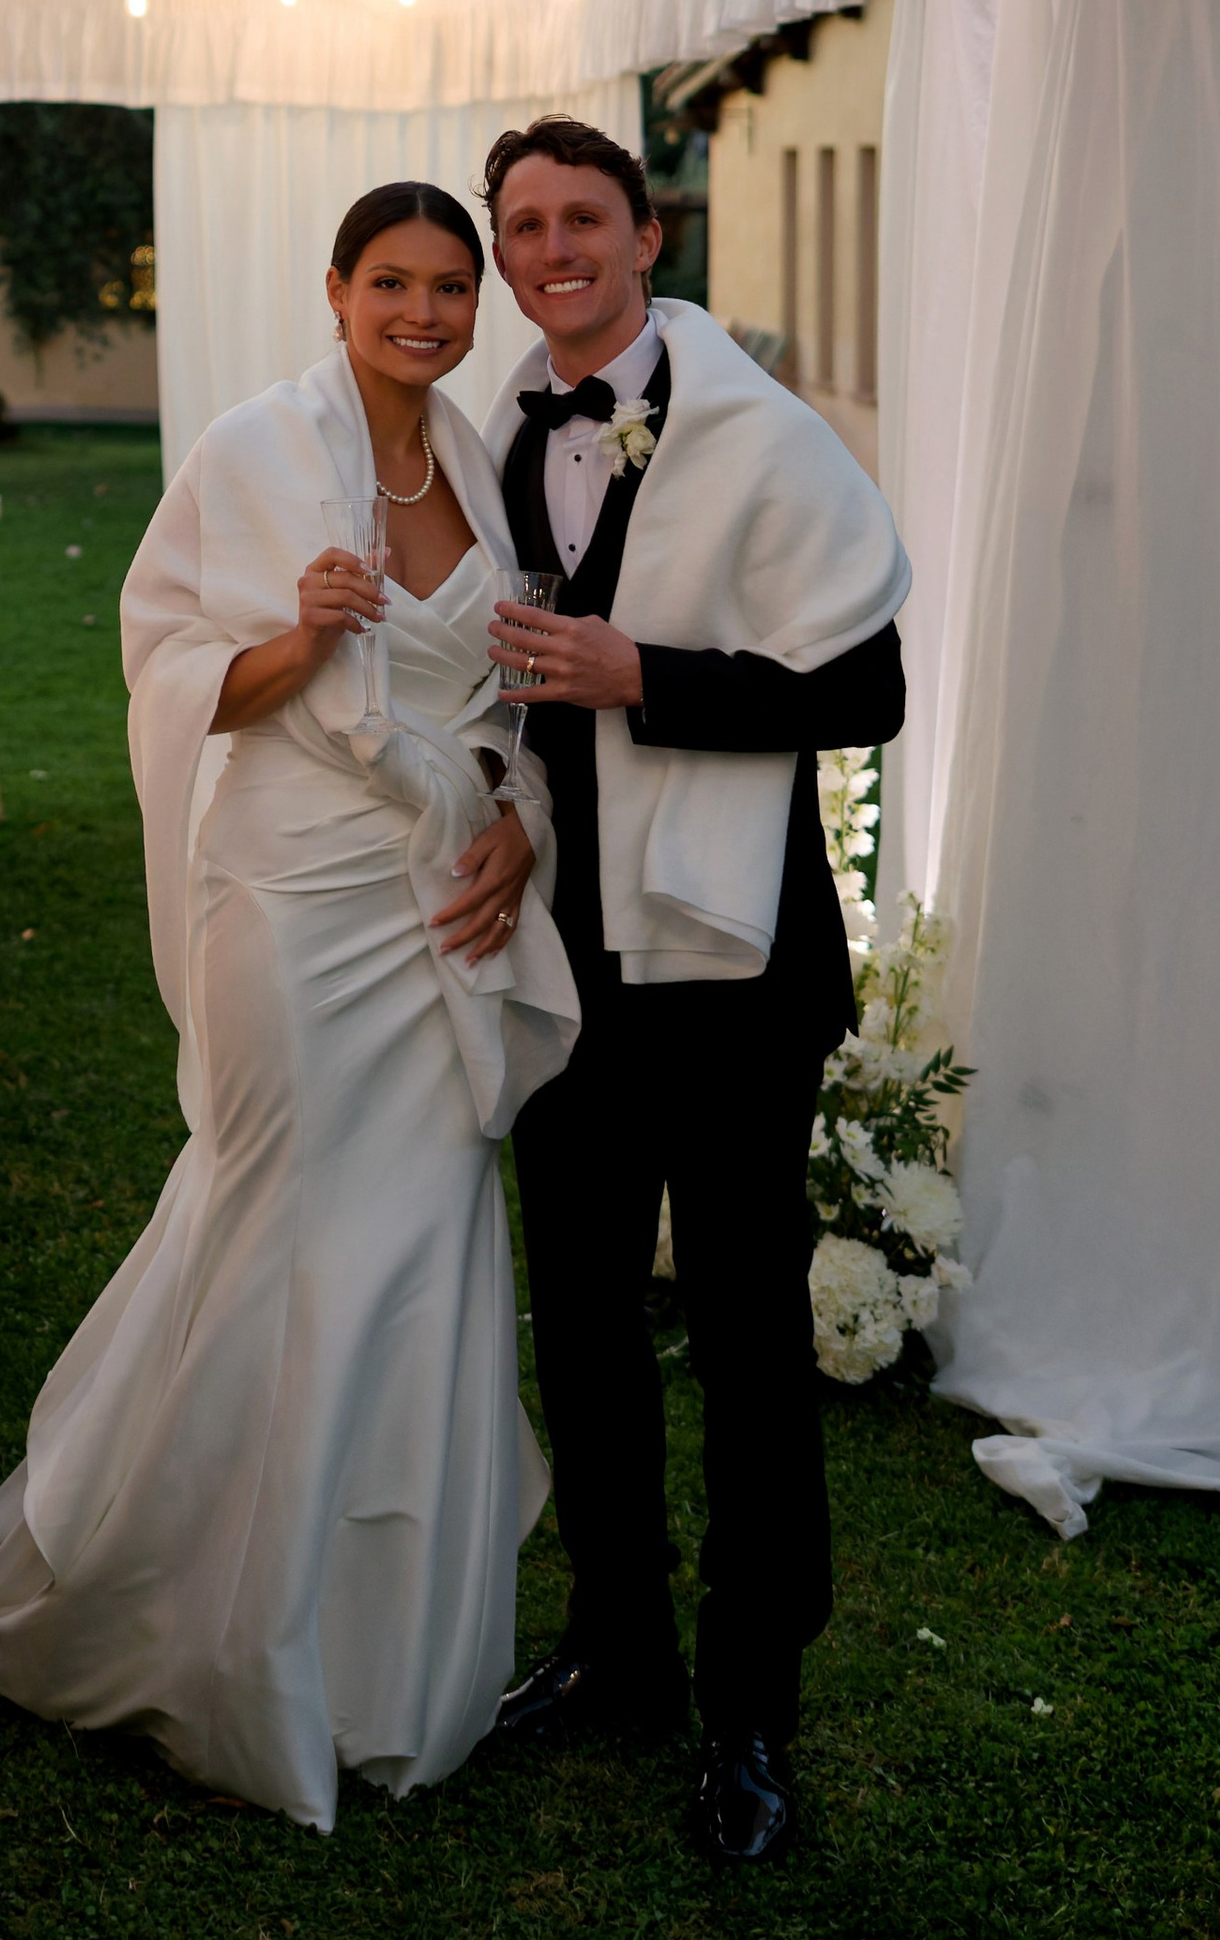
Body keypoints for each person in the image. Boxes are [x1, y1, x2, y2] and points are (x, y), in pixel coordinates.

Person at [0, 182, 578, 1830]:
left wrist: (521, 828)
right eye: (393, 282)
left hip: (436, 916)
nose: (426, 312)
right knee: (273, 1207)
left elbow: (506, 695)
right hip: (291, 896)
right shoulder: (261, 449)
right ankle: (186, 1610)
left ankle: (383, 1647)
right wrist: (295, 631)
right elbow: (174, 671)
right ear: (333, 288)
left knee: (416, 1240)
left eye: (451, 287)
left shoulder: (481, 461)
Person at [477, 115, 908, 1869]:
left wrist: (641, 671)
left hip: (732, 964)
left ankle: (752, 1704)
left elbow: (866, 683)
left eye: (583, 216)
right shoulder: (498, 425)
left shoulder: (762, 435)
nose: (553, 248)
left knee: (741, 1334)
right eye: (525, 225)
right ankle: (618, 1644)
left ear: (643, 233)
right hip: (561, 951)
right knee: (579, 1316)